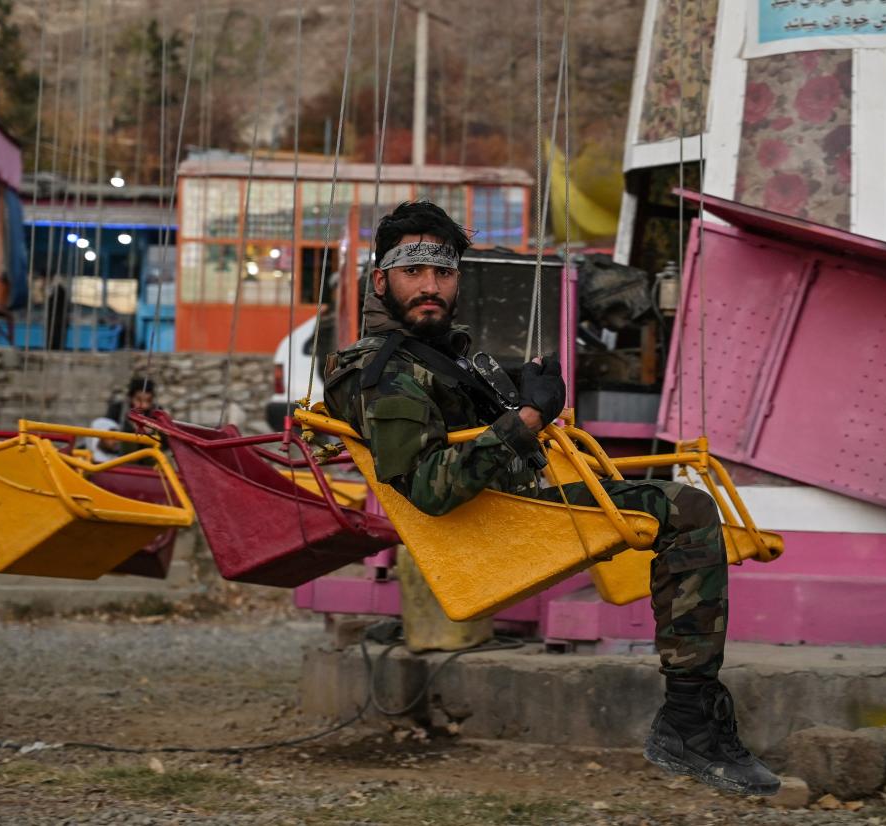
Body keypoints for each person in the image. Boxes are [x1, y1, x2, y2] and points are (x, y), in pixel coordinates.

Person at [323, 201, 779, 797]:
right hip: (492, 520)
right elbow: (430, 487)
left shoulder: (441, 358)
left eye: (444, 271)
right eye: (413, 271)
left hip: (516, 499)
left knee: (687, 504)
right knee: (686, 509)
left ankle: (692, 719)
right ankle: (690, 723)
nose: (430, 285)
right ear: (381, 281)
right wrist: (531, 416)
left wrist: (518, 399)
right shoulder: (383, 372)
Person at [95, 377, 156, 458]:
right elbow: (107, 438)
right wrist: (131, 428)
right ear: (130, 398)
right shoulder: (118, 409)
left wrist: (153, 431)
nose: (144, 405)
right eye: (139, 400)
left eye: (148, 401)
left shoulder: (156, 413)